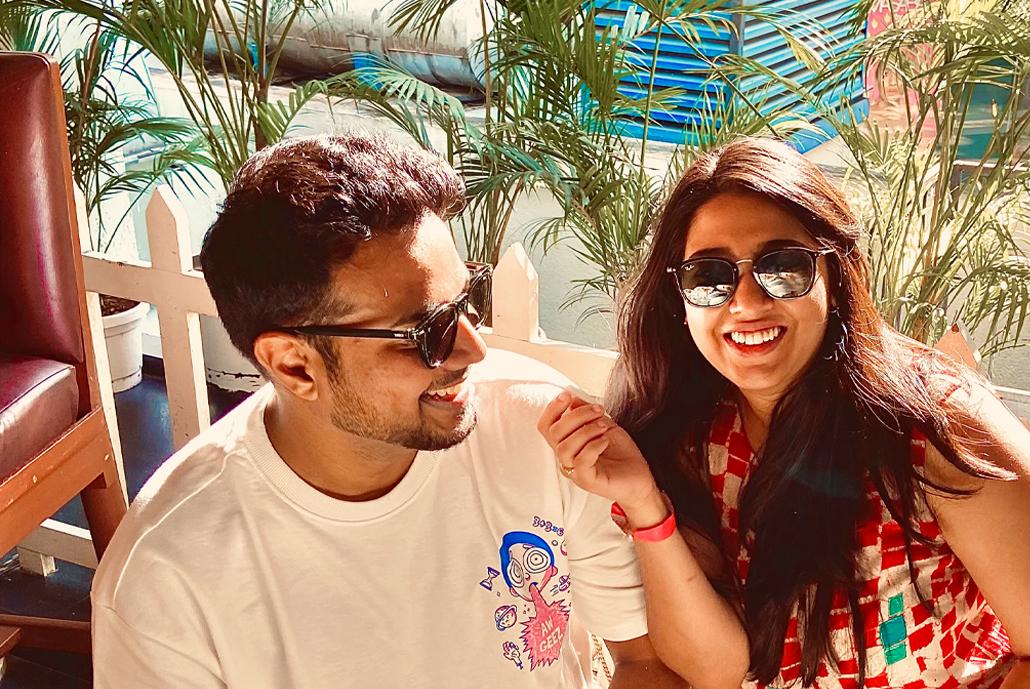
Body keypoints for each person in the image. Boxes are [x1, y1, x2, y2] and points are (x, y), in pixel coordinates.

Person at [91, 134, 685, 689]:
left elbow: (642, 659)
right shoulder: (168, 575)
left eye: (465, 303)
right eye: (426, 331)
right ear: (295, 365)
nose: (474, 350)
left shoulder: (544, 430)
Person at [540, 137, 1030, 689]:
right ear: (678, 298)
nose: (745, 301)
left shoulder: (936, 428)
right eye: (710, 276)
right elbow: (713, 672)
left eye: (782, 266)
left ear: (836, 275)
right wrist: (647, 508)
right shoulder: (691, 434)